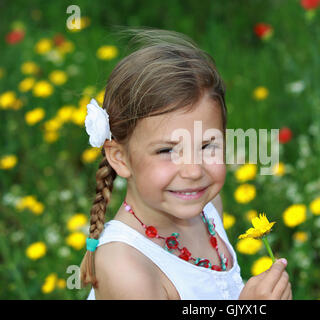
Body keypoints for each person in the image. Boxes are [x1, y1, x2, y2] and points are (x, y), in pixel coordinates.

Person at [79, 27, 292, 300]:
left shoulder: (208, 209)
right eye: (167, 150)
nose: (193, 171)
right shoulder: (124, 265)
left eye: (207, 146)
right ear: (120, 158)